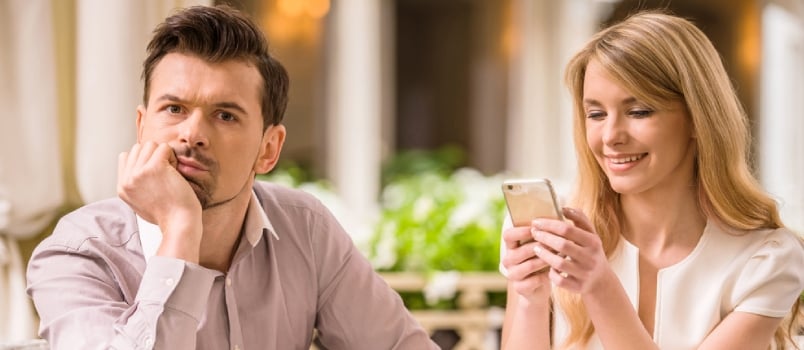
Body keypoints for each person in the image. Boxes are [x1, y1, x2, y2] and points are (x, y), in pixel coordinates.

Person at [26, 5, 438, 350]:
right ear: (141, 126)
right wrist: (180, 229)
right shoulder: (77, 253)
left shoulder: (305, 229)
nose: (192, 134)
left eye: (225, 115)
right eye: (173, 109)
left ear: (269, 149)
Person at [499, 11, 804, 350]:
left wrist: (601, 286)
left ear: (697, 119)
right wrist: (531, 298)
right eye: (596, 114)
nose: (611, 136)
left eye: (639, 111)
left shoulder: (765, 261)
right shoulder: (556, 236)